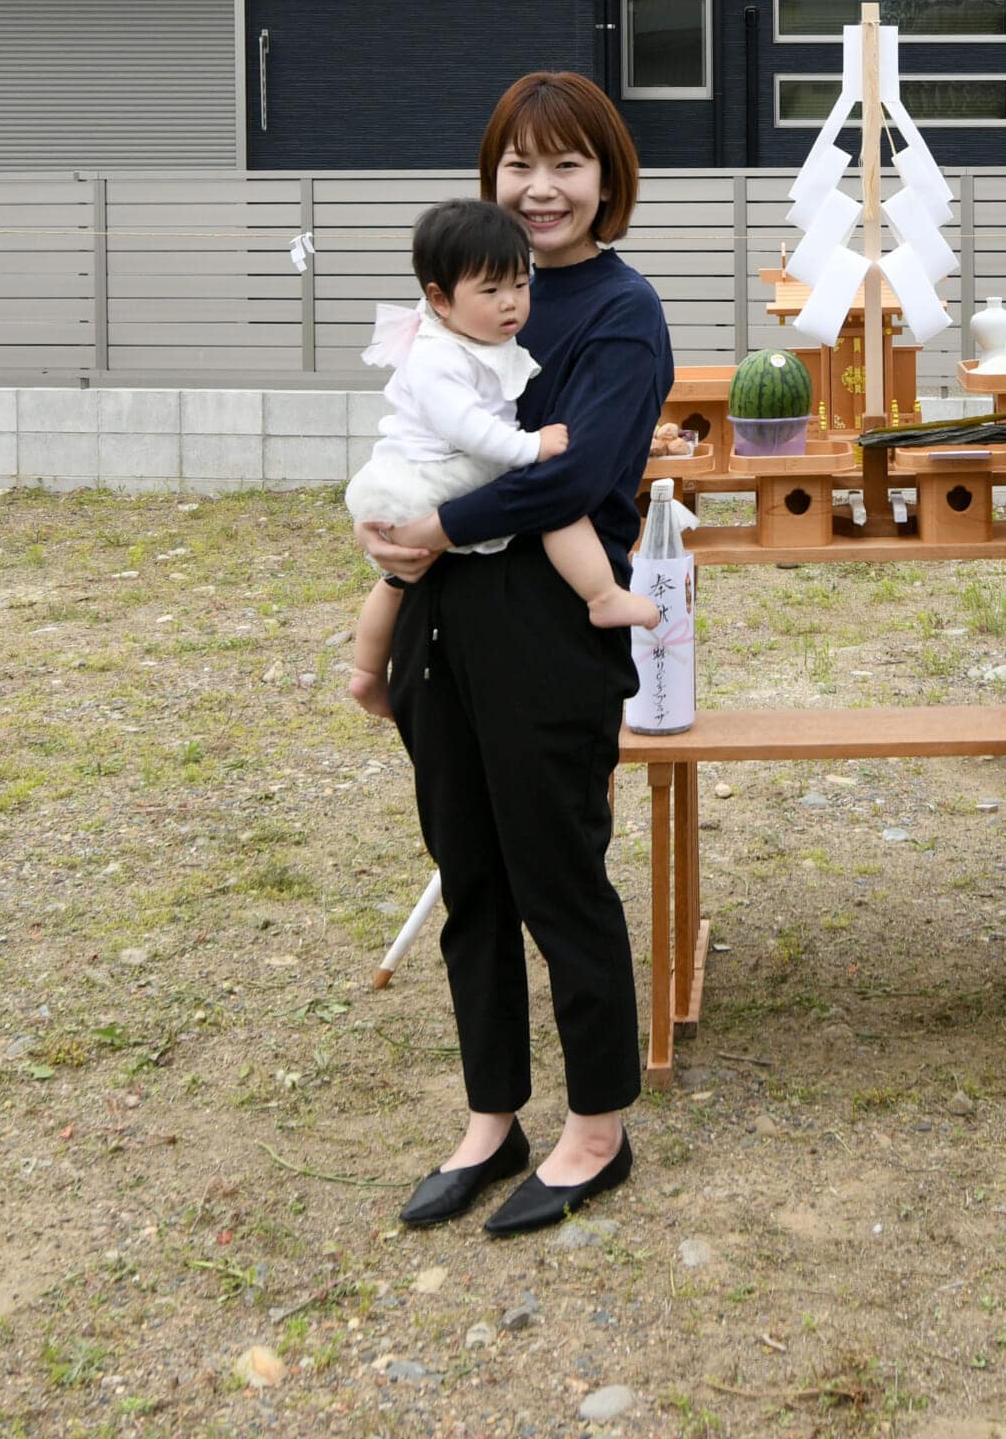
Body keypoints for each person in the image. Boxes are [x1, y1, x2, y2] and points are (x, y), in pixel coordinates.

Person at [357, 71, 673, 1236]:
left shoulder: (620, 310)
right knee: (470, 877)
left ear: (606, 179)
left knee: (556, 873)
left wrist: (439, 522)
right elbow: (410, 426)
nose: (540, 189)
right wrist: (394, 525)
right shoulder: (468, 294)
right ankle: (491, 1113)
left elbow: (579, 474)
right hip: (438, 618)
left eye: (567, 165)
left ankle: (598, 1122)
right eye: (519, 165)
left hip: (546, 626)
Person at [344, 197, 657, 720]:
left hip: (409, 479)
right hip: (431, 472)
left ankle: (367, 675)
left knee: (399, 579)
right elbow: (468, 427)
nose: (510, 303)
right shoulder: (438, 355)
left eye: (520, 284)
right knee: (556, 498)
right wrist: (530, 446)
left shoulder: (471, 327)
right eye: (491, 291)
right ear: (440, 300)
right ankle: (602, 594)